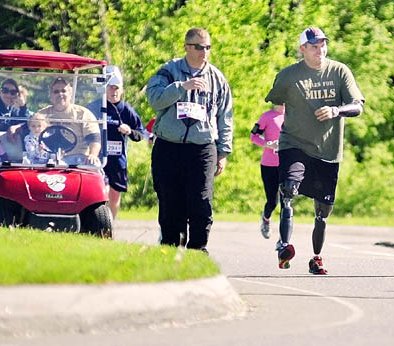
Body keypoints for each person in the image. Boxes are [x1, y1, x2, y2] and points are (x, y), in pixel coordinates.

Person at [265, 26, 365, 274]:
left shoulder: (340, 71)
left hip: (328, 150)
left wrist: (336, 110)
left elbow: (357, 106)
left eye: (323, 45)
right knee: (288, 190)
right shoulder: (288, 76)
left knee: (323, 210)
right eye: (313, 46)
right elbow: (275, 101)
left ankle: (316, 258)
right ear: (303, 49)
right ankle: (284, 246)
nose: (320, 50)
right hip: (294, 144)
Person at [146, 27, 234, 253]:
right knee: (169, 200)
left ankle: (198, 249)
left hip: (202, 148)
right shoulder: (169, 71)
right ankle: (169, 247)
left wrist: (223, 151)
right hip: (169, 147)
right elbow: (154, 99)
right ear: (187, 47)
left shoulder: (216, 78)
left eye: (208, 47)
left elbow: (225, 116)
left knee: (201, 201)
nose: (204, 52)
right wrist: (181, 87)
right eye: (199, 47)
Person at [88, 66, 145, 219]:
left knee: (114, 196)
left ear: (122, 89)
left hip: (118, 160)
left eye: (116, 88)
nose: (114, 91)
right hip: (97, 158)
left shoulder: (126, 110)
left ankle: (110, 226)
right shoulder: (94, 107)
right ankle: (98, 223)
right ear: (104, 89)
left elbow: (141, 133)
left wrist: (129, 131)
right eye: (110, 88)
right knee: (101, 193)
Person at [37, 77, 102, 166]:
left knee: (95, 165)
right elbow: (31, 130)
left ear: (70, 93)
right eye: (56, 91)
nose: (60, 94)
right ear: (50, 95)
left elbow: (94, 138)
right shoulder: (42, 114)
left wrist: (93, 155)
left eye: (64, 91)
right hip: (49, 158)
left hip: (78, 159)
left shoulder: (83, 114)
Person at [250, 104, 285, 239]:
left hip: (286, 165)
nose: (282, 105)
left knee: (286, 201)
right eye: (279, 101)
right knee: (273, 201)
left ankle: (284, 235)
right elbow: (254, 136)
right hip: (269, 165)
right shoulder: (267, 116)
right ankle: (266, 219)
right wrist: (267, 144)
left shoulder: (292, 116)